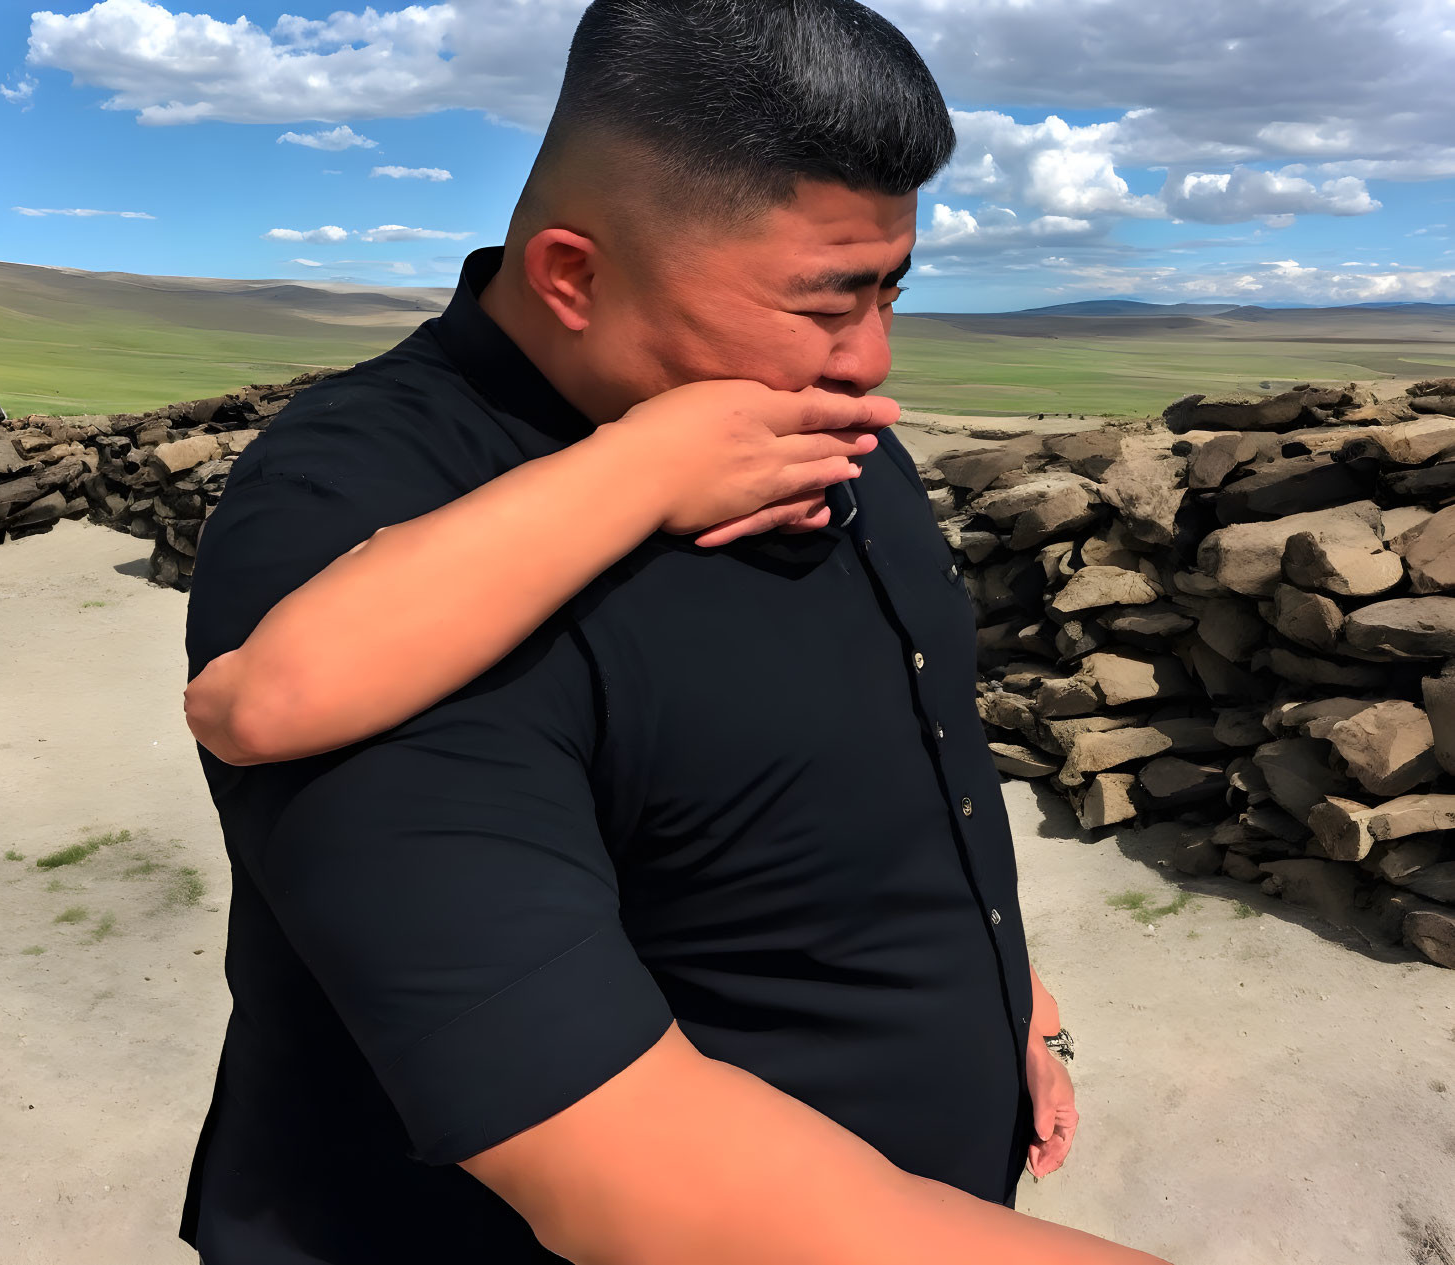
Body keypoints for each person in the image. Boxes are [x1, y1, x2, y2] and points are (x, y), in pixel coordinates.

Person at [176, 1, 1168, 1262]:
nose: (871, 361)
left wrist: (1006, 987)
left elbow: (897, 754)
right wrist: (642, 468)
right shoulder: (357, 499)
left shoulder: (802, 416)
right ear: (574, 276)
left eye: (891, 290)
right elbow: (632, 1173)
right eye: (825, 300)